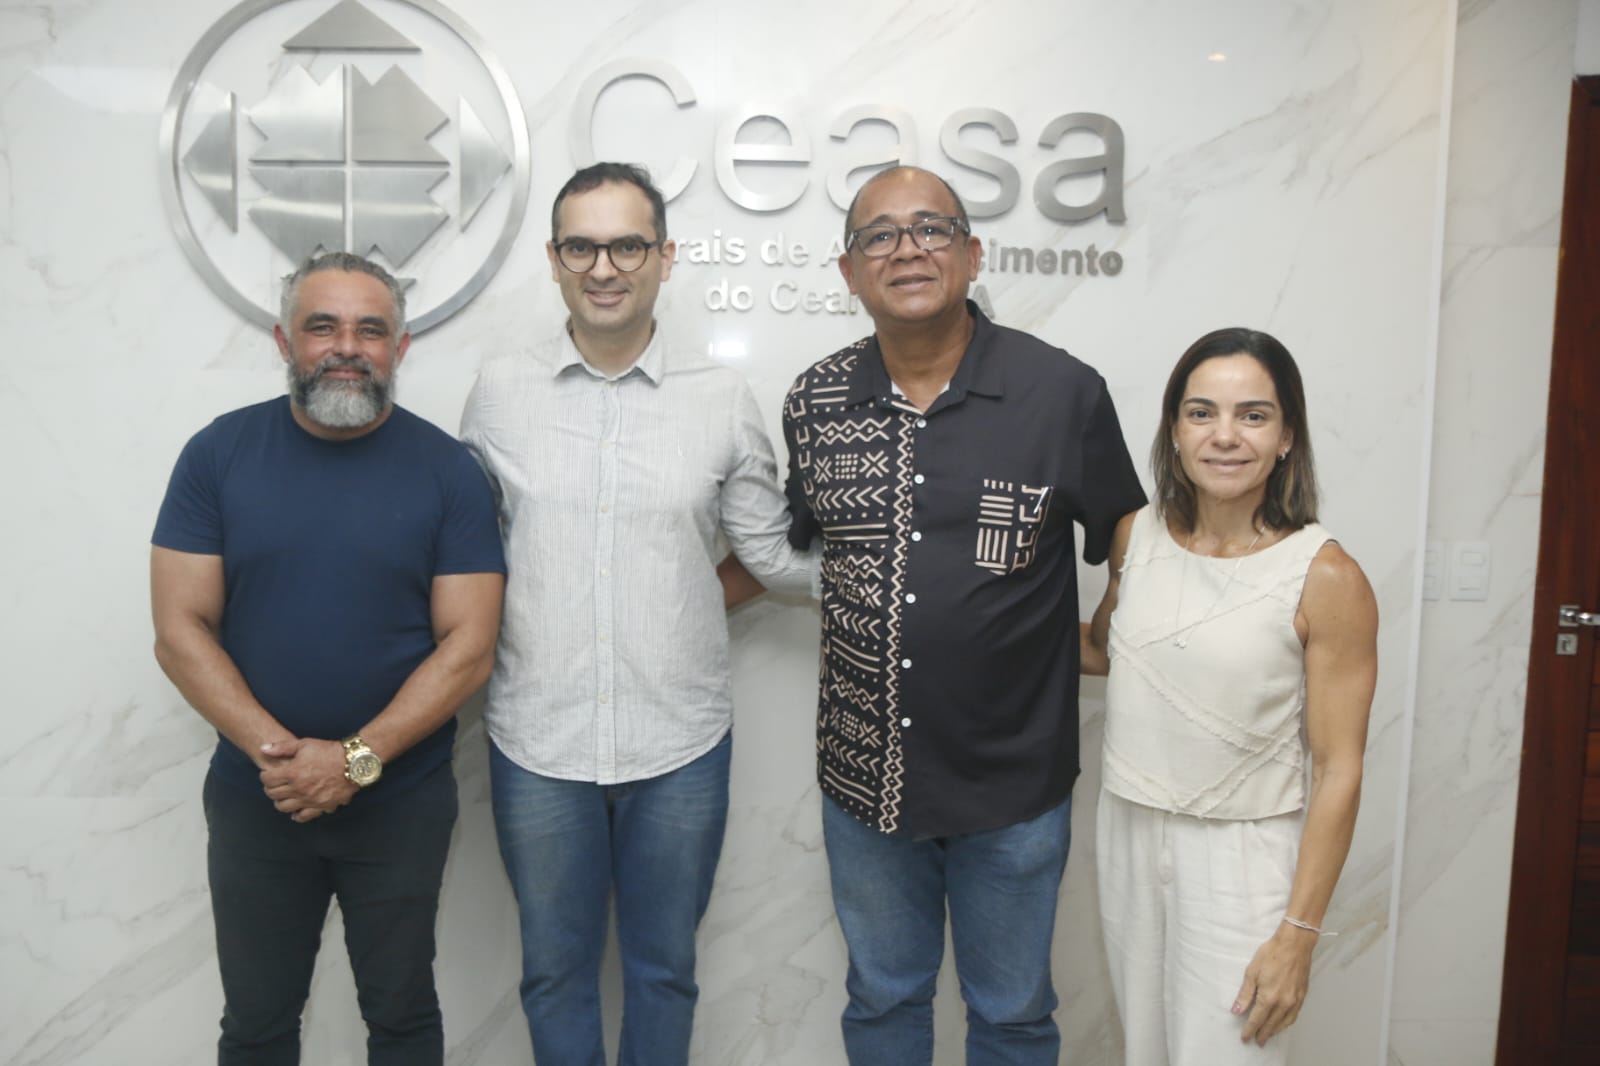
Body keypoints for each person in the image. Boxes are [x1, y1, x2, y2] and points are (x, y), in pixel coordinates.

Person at [777, 165, 1147, 1066]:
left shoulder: (1061, 392)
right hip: (865, 776)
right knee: (882, 1000)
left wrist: (1106, 635)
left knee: (1012, 1013)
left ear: (973, 255)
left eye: (932, 229)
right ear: (849, 271)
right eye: (879, 235)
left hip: (1012, 781)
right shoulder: (814, 403)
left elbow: (1126, 529)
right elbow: (801, 544)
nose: (907, 249)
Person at [458, 162, 817, 1066]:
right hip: (537, 740)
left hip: (679, 743)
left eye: (627, 245)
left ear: (665, 256)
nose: (604, 267)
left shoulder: (719, 398)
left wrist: (902, 556)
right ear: (553, 259)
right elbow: (469, 559)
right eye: (581, 247)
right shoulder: (499, 391)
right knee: (554, 974)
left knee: (665, 972)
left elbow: (769, 557)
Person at [150, 251, 507, 1065]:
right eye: (323, 326)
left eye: (370, 329)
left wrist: (351, 763)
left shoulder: (449, 472)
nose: (347, 346)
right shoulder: (218, 454)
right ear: (285, 341)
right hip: (259, 796)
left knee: (402, 1018)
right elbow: (179, 630)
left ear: (399, 349)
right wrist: (285, 760)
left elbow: (469, 648)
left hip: (401, 799)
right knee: (257, 1025)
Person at [1081, 327, 1379, 1065]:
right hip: (1128, 829)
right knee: (1143, 1051)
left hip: (1243, 856)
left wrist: (1298, 936)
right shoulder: (1134, 537)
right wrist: (962, 626)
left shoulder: (1326, 575)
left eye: (1253, 415)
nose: (1224, 436)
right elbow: (1108, 651)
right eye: (1201, 412)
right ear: (1175, 430)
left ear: (1287, 436)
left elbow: (1338, 767)